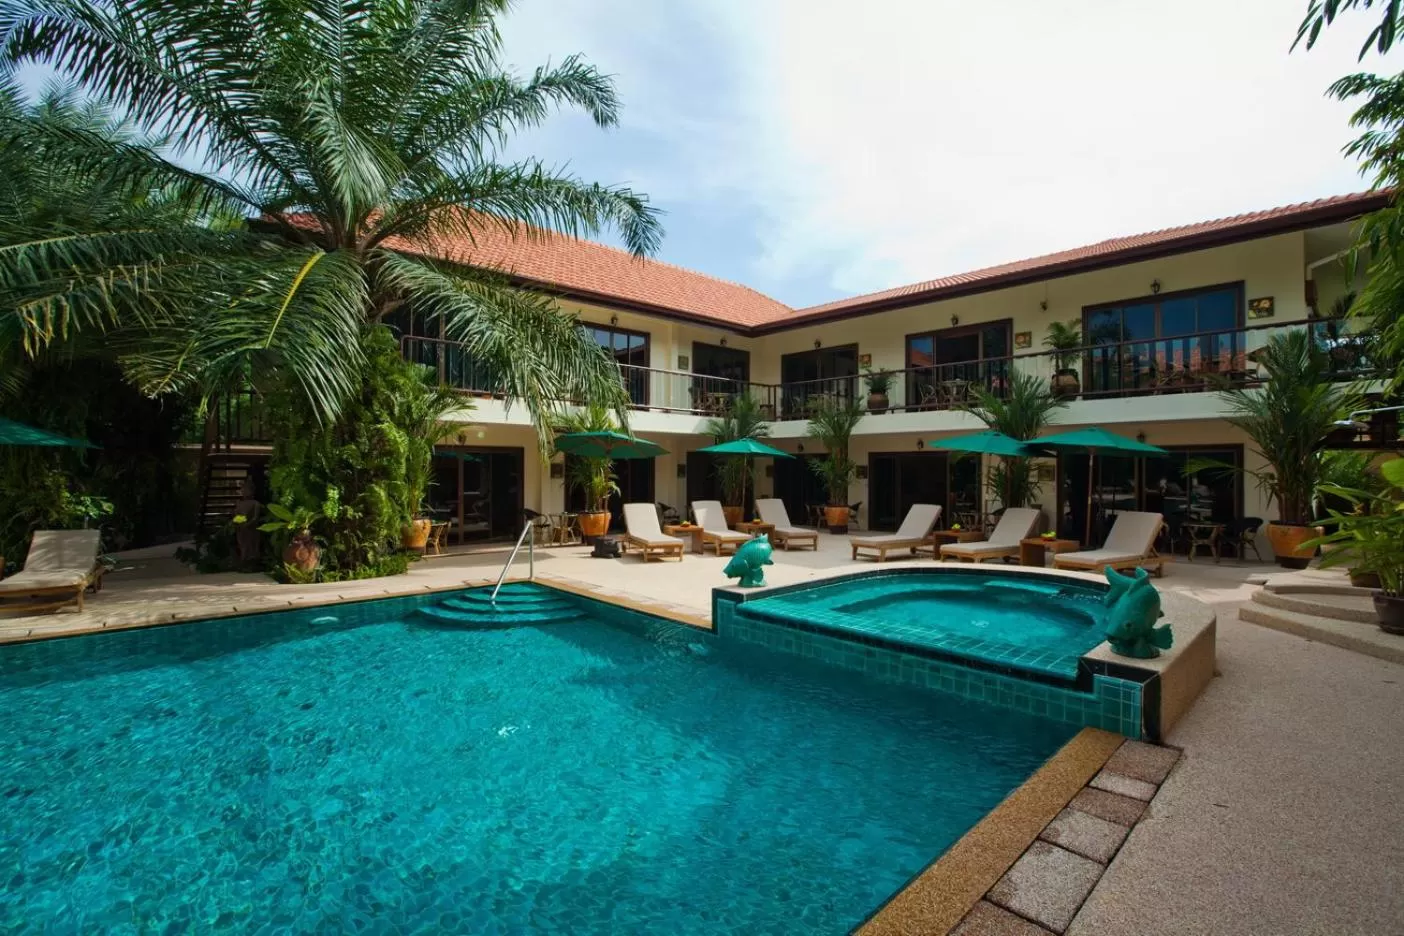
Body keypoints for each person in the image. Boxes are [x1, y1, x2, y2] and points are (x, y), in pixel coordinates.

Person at [232, 478, 262, 566]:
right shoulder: (239, 504)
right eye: (242, 489)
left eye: (246, 489)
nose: (244, 491)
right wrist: (238, 523)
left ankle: (252, 562)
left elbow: (255, 517)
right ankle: (243, 561)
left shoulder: (255, 503)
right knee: (243, 546)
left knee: (252, 546)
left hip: (252, 529)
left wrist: (248, 524)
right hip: (241, 529)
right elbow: (237, 516)